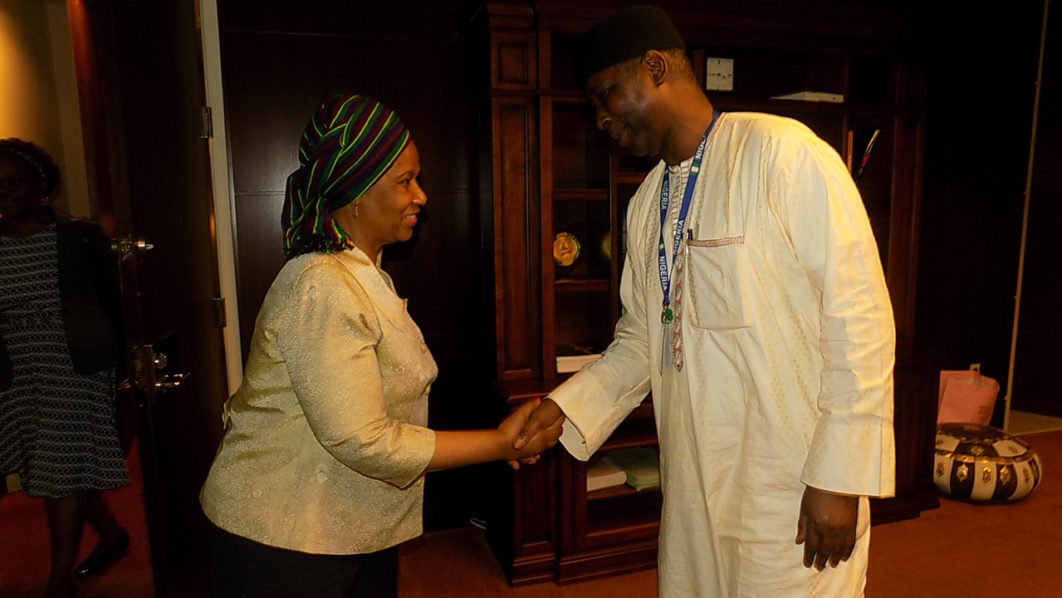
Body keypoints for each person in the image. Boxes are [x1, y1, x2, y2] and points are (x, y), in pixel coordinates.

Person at [516, 5, 896, 597]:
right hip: (692, 493)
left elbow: (860, 317)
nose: (599, 120)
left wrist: (840, 476)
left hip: (790, 493)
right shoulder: (645, 204)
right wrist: (565, 407)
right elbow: (643, 338)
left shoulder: (783, 154)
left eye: (604, 95)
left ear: (655, 67)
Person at [199, 93, 562, 598]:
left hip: (343, 524)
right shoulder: (321, 284)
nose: (421, 196)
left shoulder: (360, 274)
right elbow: (363, 440)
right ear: (354, 193)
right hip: (285, 538)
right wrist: (499, 443)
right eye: (404, 181)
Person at [0, 139, 130, 598]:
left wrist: (126, 362)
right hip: (18, 371)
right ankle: (112, 535)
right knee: (55, 469)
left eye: (15, 183)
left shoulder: (77, 235)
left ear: (43, 187)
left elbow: (113, 301)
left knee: (57, 466)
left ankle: (59, 583)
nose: (4, 193)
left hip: (76, 366)